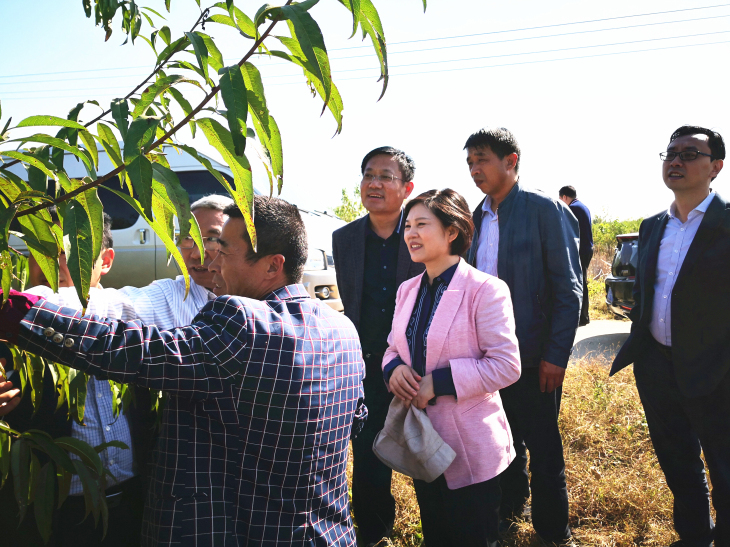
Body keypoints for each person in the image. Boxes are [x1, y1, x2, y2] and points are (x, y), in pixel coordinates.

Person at [0, 196, 367, 547]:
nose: (213, 260)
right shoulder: (342, 329)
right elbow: (356, 419)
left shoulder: (241, 321)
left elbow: (129, 350)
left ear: (273, 265)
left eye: (223, 250)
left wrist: (17, 310)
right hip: (322, 533)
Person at [0, 213, 155, 547]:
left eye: (70, 253)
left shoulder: (131, 317)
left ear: (106, 261)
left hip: (131, 502)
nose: (54, 263)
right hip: (53, 511)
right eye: (41, 250)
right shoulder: (13, 324)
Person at [383, 189, 521, 547]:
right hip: (424, 438)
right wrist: (393, 368)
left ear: (452, 231)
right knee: (436, 533)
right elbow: (392, 347)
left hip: (470, 444)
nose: (411, 233)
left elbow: (506, 365)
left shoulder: (485, 290)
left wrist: (438, 383)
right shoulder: (407, 290)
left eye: (422, 224)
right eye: (408, 225)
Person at [611, 126, 728, 547]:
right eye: (671, 152)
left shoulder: (726, 223)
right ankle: (694, 536)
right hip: (658, 365)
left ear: (715, 166)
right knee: (678, 461)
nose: (676, 161)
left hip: (717, 371)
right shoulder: (652, 226)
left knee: (724, 465)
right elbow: (647, 294)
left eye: (689, 154)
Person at [464, 128, 582, 543]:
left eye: (482, 159)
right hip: (486, 359)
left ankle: (553, 531)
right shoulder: (474, 218)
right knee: (501, 443)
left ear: (510, 161)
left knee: (545, 450)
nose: (475, 169)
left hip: (533, 357)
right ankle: (510, 516)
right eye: (470, 162)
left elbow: (569, 290)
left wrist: (556, 355)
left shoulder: (544, 209)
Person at [332, 146, 424, 546]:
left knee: (429, 456)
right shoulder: (345, 239)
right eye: (369, 174)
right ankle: (373, 534)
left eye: (386, 176)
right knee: (368, 458)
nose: (374, 183)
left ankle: (440, 530)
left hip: (420, 368)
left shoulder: (425, 232)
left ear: (407, 187)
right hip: (367, 366)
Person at [119, 194, 234, 323]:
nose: (196, 254)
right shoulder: (169, 296)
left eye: (213, 240)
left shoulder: (257, 299)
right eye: (187, 238)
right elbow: (121, 305)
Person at [559, 186, 594, 326]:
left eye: (561, 199)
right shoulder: (582, 206)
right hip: (587, 248)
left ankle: (582, 316)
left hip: (580, 250)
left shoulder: (572, 209)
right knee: (582, 281)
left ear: (565, 197)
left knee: (579, 282)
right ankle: (584, 316)